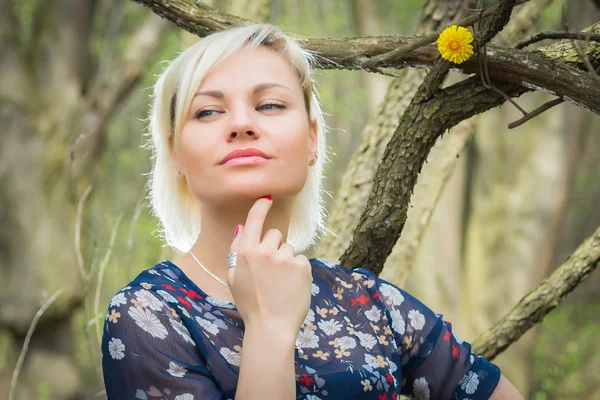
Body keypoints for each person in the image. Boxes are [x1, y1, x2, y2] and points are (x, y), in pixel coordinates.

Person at [101, 24, 523, 400]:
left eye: (269, 105)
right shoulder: (146, 316)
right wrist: (269, 330)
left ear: (313, 138)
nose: (241, 124)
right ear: (175, 152)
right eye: (209, 111)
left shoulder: (368, 300)